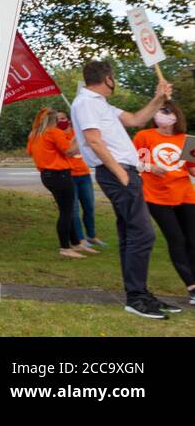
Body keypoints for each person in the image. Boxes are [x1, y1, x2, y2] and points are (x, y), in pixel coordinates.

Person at [69, 59, 176, 319]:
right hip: (118, 173)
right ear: (107, 79)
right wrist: (120, 173)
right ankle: (136, 298)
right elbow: (93, 141)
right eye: (113, 77)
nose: (114, 81)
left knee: (131, 234)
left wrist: (159, 98)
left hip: (126, 172)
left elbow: (137, 119)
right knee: (143, 234)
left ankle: (138, 293)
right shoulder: (85, 103)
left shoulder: (100, 103)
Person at [133, 101, 195, 304]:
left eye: (166, 111)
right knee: (176, 239)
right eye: (159, 111)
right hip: (156, 197)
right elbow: (134, 162)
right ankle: (191, 286)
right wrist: (150, 167)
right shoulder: (144, 136)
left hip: (186, 195)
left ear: (176, 115)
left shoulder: (188, 140)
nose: (161, 115)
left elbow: (192, 168)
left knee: (192, 240)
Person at [26, 107, 99, 258]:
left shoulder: (34, 135)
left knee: (68, 210)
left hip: (47, 176)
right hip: (61, 176)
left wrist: (75, 137)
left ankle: (76, 243)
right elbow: (70, 151)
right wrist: (83, 138)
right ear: (54, 120)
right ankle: (65, 247)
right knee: (67, 212)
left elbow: (32, 151)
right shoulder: (54, 132)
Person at [68, 108, 105, 251]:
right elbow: (68, 150)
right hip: (70, 176)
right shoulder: (61, 135)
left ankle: (92, 235)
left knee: (89, 207)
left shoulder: (86, 133)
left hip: (84, 175)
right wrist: (76, 137)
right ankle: (80, 239)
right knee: (74, 210)